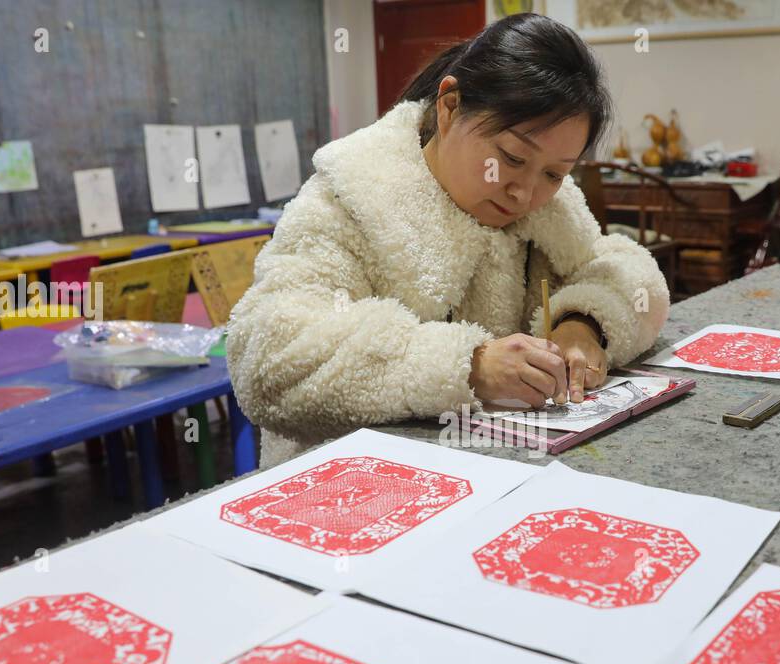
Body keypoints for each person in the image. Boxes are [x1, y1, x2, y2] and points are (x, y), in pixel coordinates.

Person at [228, 12, 670, 467]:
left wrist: (584, 322)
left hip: (497, 474)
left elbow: (627, 273)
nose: (524, 193)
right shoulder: (351, 195)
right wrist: (467, 366)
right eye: (511, 157)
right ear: (450, 105)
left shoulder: (550, 207)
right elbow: (270, 357)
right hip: (345, 490)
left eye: (555, 173)